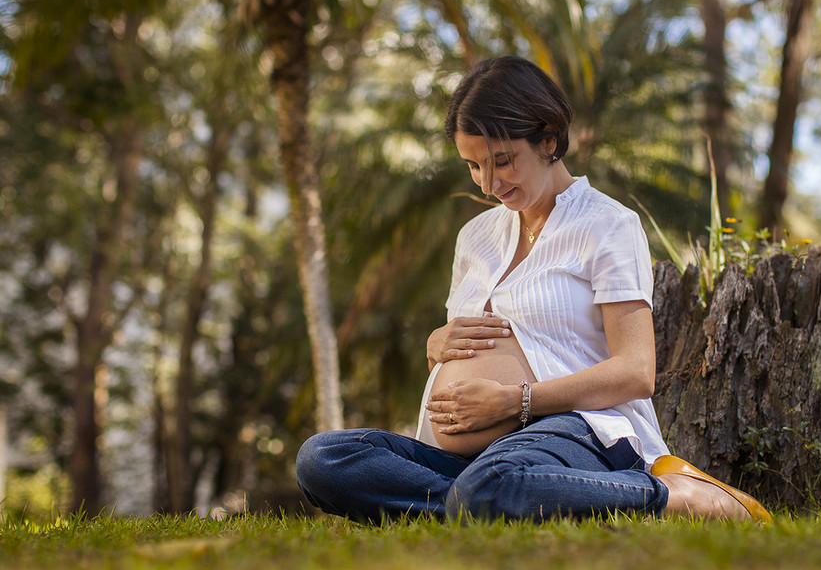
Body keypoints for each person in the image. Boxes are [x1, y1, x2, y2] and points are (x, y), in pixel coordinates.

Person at [295, 56, 770, 523]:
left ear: (549, 139)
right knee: (323, 458)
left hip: (576, 432)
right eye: (473, 166)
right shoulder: (475, 237)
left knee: (489, 486)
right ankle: (481, 503)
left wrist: (515, 400)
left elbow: (636, 372)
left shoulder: (607, 225)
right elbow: (465, 351)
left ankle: (676, 496)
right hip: (475, 456)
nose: (488, 184)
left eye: (502, 161)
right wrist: (434, 345)